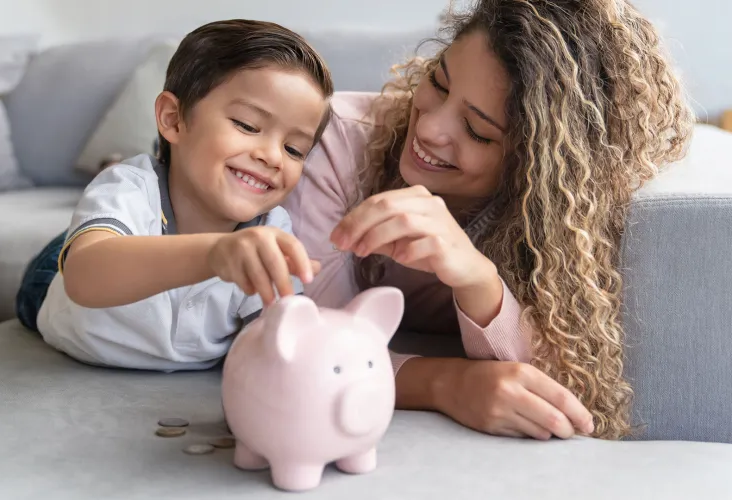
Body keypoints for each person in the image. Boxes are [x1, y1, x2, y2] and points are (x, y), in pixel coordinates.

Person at [282, 0, 693, 441]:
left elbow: (563, 381)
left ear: (534, 162)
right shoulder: (333, 143)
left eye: (477, 131)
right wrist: (446, 383)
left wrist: (478, 279)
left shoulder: (561, 218)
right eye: (439, 83)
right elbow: (310, 349)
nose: (429, 129)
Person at [15, 19, 334, 371]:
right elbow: (83, 277)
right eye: (246, 125)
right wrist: (214, 254)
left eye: (293, 149)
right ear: (173, 119)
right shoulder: (131, 188)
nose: (272, 157)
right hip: (59, 280)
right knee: (86, 236)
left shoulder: (271, 231)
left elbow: (277, 344)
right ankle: (96, 206)